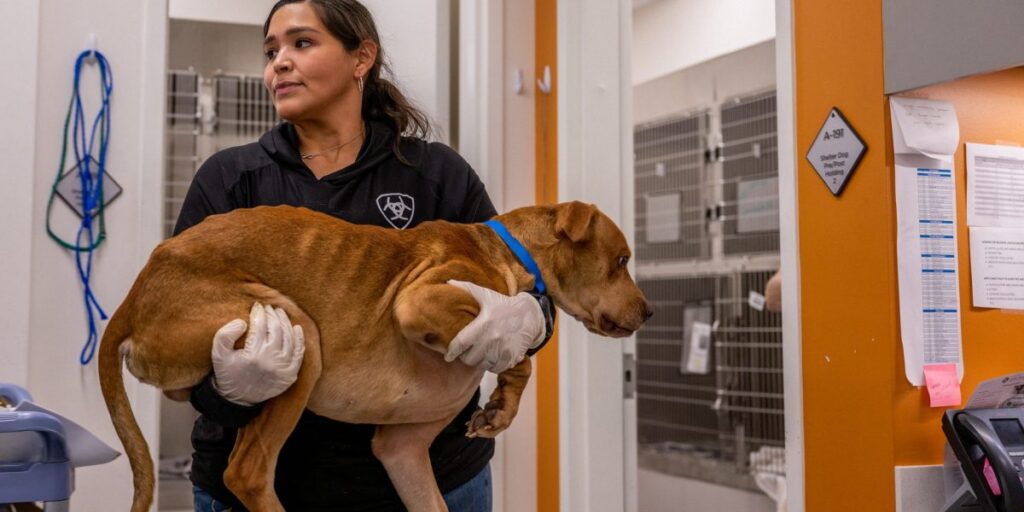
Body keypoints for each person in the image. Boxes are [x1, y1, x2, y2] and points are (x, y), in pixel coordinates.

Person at [172, 1, 554, 510]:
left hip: (433, 481)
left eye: (301, 43)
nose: (278, 63)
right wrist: (227, 391)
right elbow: (178, 340)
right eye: (271, 51)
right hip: (260, 487)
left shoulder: (436, 176)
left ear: (362, 58)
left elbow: (527, 286)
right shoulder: (231, 181)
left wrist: (531, 318)